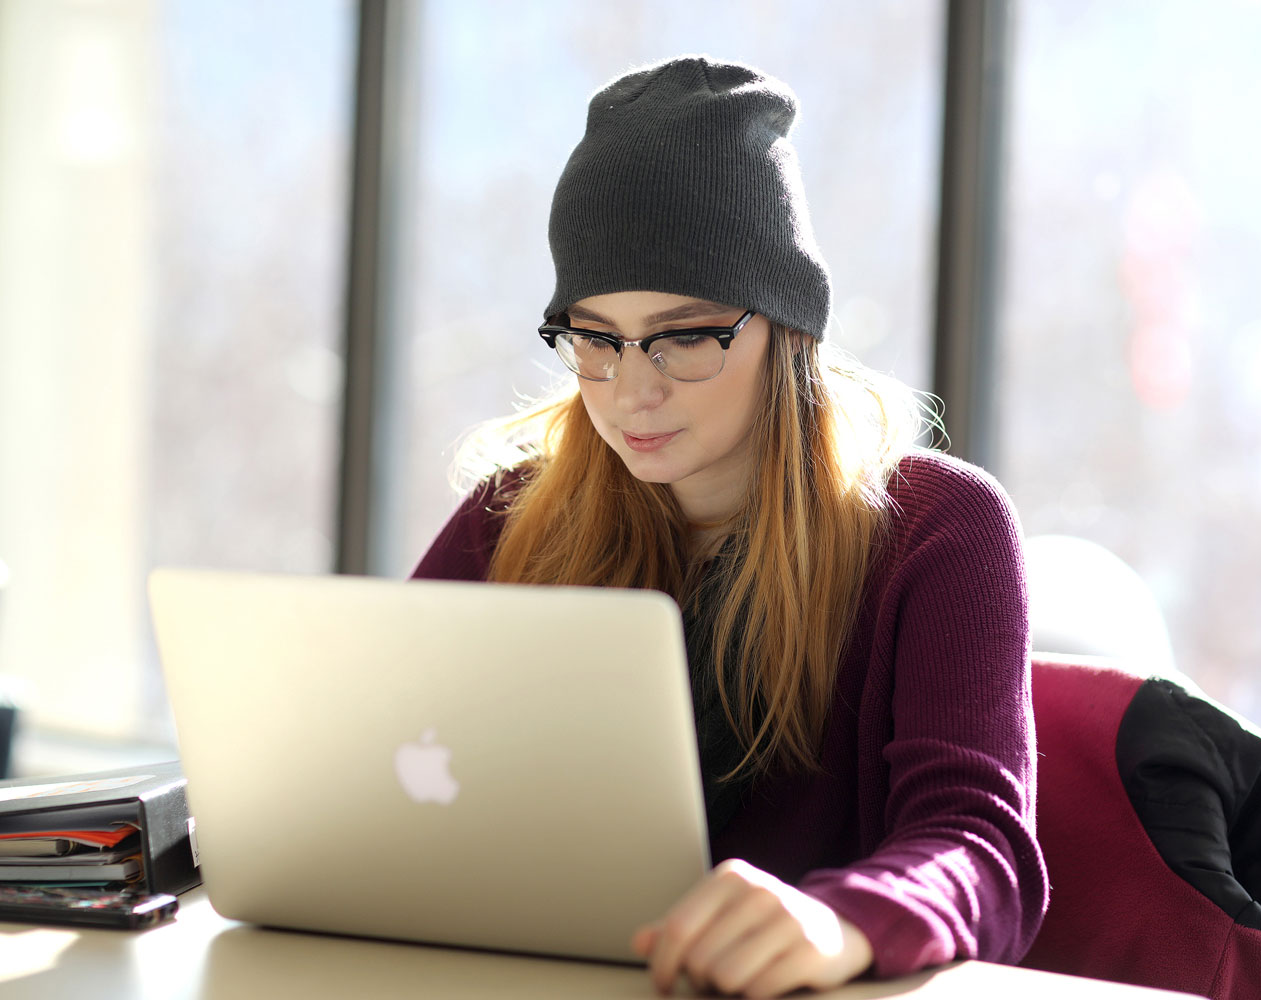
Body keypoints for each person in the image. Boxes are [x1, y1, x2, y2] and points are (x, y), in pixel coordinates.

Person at [412, 55, 1048, 997]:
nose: (632, 388)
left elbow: (981, 847)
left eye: (684, 335)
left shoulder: (940, 529)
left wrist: (845, 920)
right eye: (595, 337)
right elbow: (378, 763)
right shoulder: (512, 518)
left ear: (788, 330)